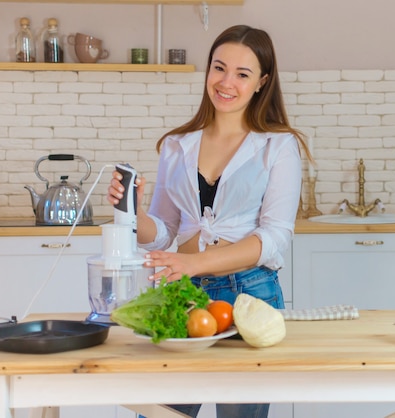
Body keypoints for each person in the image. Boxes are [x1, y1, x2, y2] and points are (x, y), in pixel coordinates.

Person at [107, 24, 311, 418]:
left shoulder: (277, 145)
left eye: (242, 74)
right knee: (161, 411)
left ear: (262, 82)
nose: (226, 82)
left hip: (249, 294)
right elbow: (163, 230)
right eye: (219, 68)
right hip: (183, 296)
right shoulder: (176, 145)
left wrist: (193, 263)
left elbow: (274, 238)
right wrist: (132, 213)